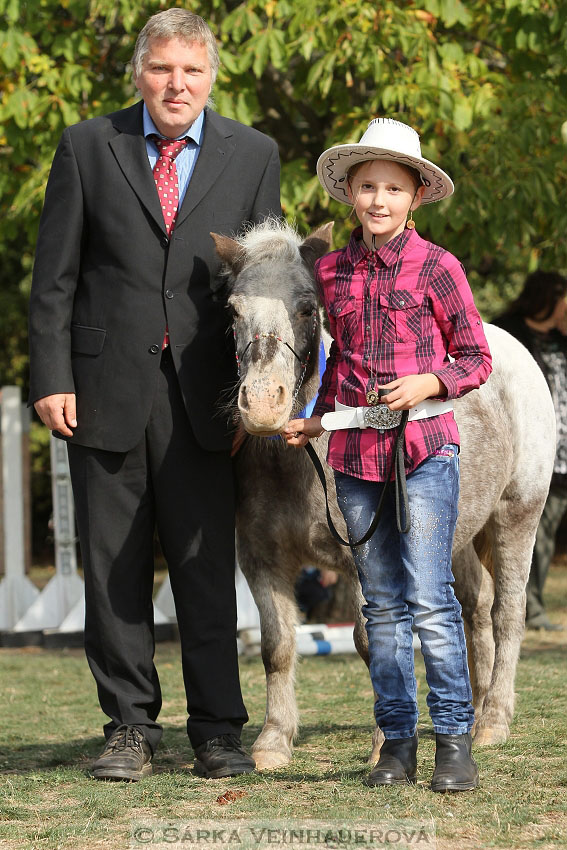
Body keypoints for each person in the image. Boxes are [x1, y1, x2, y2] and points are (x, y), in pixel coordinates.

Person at [28, 9, 281, 781]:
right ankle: (130, 728)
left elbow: (263, 280)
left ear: (211, 77)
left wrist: (256, 394)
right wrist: (51, 377)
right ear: (140, 72)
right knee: (115, 569)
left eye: (192, 71)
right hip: (99, 391)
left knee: (205, 568)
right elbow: (54, 279)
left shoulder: (255, 153)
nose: (177, 85)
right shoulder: (85, 146)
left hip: (207, 400)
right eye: (163, 69)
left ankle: (216, 732)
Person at [284, 118, 492, 791]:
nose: (378, 199)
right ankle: (395, 746)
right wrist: (313, 422)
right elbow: (336, 361)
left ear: (415, 196)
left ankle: (452, 742)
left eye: (391, 188)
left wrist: (430, 381)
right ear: (349, 193)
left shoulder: (438, 267)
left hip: (425, 453)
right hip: (353, 458)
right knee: (379, 607)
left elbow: (474, 357)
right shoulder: (331, 271)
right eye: (366, 186)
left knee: (430, 600)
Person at [493, 271, 567, 631]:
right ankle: (529, 608)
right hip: (525, 449)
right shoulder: (510, 334)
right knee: (535, 534)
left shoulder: (558, 339)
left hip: (558, 447)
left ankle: (532, 605)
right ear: (548, 299)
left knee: (547, 533)